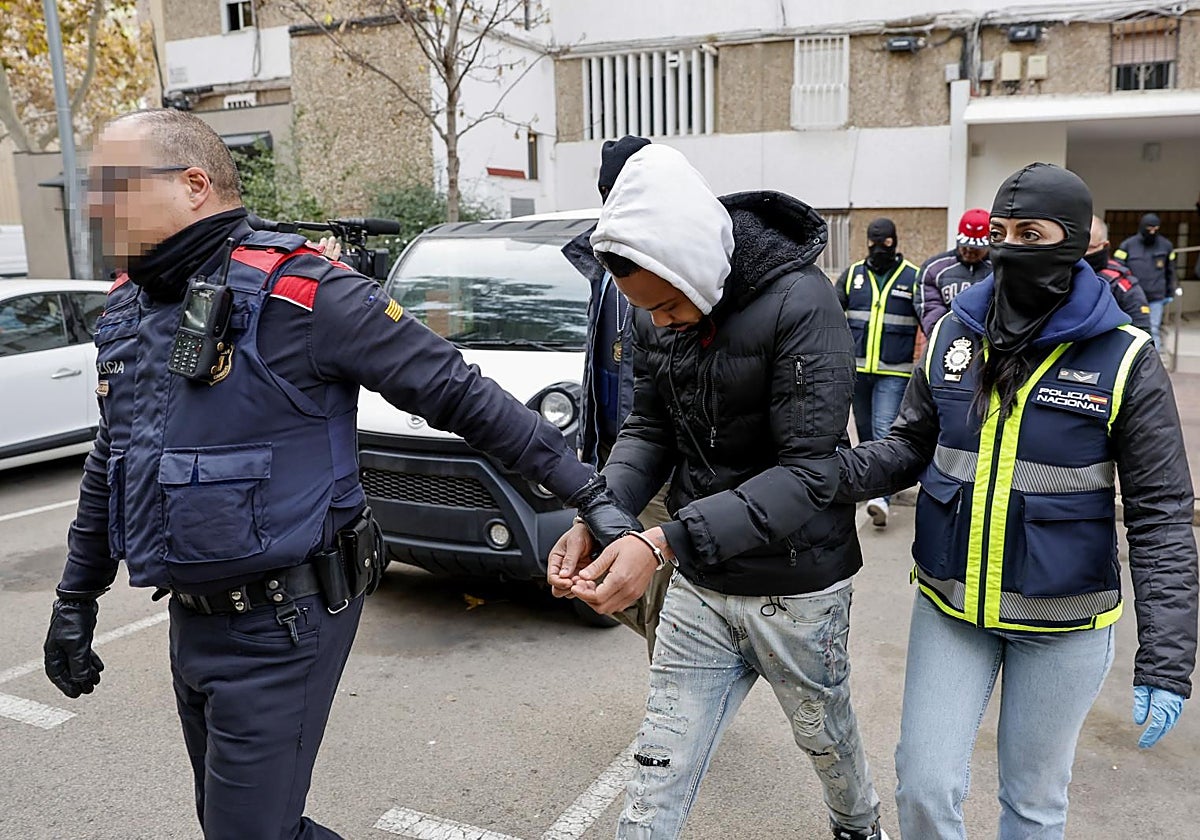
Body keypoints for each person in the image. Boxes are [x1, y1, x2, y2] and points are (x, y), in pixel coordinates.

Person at [41, 109, 640, 840]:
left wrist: (590, 493)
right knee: (233, 823)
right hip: (191, 615)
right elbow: (114, 457)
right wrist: (77, 596)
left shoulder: (306, 293)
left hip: (282, 617)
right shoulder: (132, 306)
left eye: (113, 187)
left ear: (194, 184)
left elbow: (460, 393)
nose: (95, 207)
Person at [837, 163, 1197, 840]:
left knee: (1033, 806)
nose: (1006, 249)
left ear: (1074, 242)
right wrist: (820, 477)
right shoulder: (953, 337)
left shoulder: (1125, 358)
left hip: (1062, 626)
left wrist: (1167, 660)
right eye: (999, 232)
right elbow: (907, 447)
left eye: (1029, 233)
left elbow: (1161, 517)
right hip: (952, 605)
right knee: (924, 785)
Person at [548, 144, 888, 840]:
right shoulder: (652, 308)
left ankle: (860, 827)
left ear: (695, 262)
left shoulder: (802, 300)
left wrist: (664, 539)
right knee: (656, 773)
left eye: (670, 304)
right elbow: (648, 431)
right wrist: (600, 513)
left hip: (796, 589)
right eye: (648, 311)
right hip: (701, 585)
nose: (661, 321)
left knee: (827, 742)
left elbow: (808, 473)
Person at [562, 135, 673, 654]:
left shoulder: (672, 260)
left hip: (660, 462)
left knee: (664, 604)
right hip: (613, 456)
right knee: (611, 586)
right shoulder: (600, 262)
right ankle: (688, 698)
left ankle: (675, 720)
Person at [836, 218, 921, 528]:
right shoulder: (852, 276)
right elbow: (831, 314)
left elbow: (928, 320)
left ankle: (881, 498)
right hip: (858, 370)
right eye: (873, 244)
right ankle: (869, 487)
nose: (878, 249)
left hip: (894, 373)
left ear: (894, 242)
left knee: (885, 429)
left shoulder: (913, 277)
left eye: (884, 244)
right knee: (867, 432)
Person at [914, 207, 992, 337]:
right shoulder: (934, 269)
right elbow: (930, 308)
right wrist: (940, 338)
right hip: (947, 339)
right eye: (964, 245)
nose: (969, 251)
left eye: (975, 248)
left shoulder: (1000, 269)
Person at [1115, 211, 1176, 348]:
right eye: (1149, 228)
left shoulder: (1166, 246)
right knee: (1132, 330)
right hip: (1133, 297)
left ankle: (1154, 362)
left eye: (1156, 229)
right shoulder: (1127, 245)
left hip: (1156, 297)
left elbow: (1171, 271)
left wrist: (1170, 292)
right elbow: (1117, 270)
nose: (1152, 232)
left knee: (1153, 329)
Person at [1084, 215, 1151, 331]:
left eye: (1088, 248)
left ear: (1105, 246)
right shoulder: (1057, 274)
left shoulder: (1120, 284)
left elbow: (1142, 329)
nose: (1081, 254)